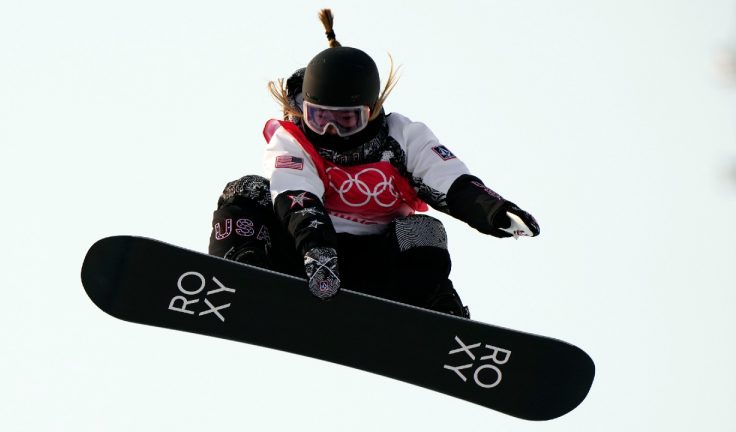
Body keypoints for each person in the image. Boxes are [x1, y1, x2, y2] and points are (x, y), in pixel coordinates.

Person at [208, 9, 540, 318]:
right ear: (304, 109)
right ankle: (242, 271)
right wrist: (318, 251)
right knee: (246, 191)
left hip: (378, 267)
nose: (331, 131)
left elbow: (447, 179)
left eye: (347, 120)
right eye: (319, 118)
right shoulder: (294, 139)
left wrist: (492, 210)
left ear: (372, 111)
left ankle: (436, 313)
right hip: (306, 255)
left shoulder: (402, 137)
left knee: (423, 229)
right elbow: (296, 193)